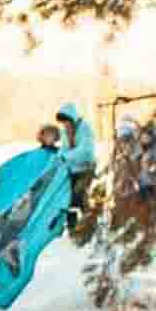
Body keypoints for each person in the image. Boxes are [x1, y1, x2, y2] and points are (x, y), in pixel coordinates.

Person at [55, 103, 99, 242]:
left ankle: (90, 226)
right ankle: (72, 228)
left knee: (80, 194)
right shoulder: (65, 132)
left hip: (86, 168)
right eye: (63, 122)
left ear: (72, 119)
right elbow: (64, 148)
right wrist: (59, 158)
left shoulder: (84, 129)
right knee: (69, 198)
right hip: (71, 170)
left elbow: (85, 151)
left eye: (66, 121)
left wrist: (66, 156)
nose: (65, 124)